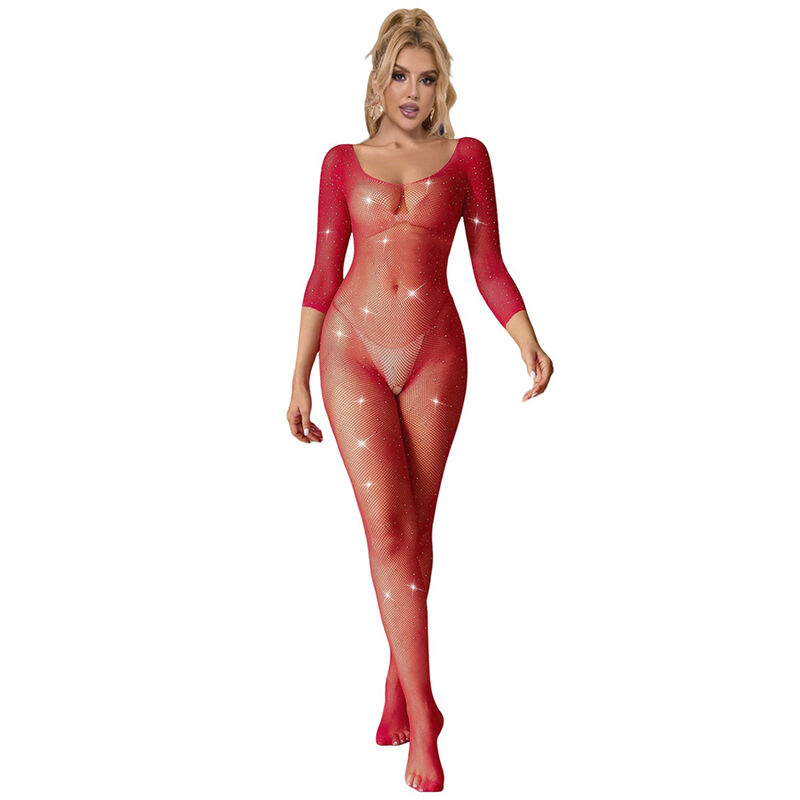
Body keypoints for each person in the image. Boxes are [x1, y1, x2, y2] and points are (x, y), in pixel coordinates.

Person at [287, 9, 553, 793]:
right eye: (400, 75)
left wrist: (528, 340)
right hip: (352, 352)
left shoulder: (468, 157)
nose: (412, 92)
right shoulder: (342, 163)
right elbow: (321, 274)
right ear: (378, 80)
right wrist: (296, 376)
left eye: (427, 78)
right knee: (390, 531)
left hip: (436, 352)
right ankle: (426, 715)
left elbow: (489, 266)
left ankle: (397, 682)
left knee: (417, 532)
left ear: (443, 86)